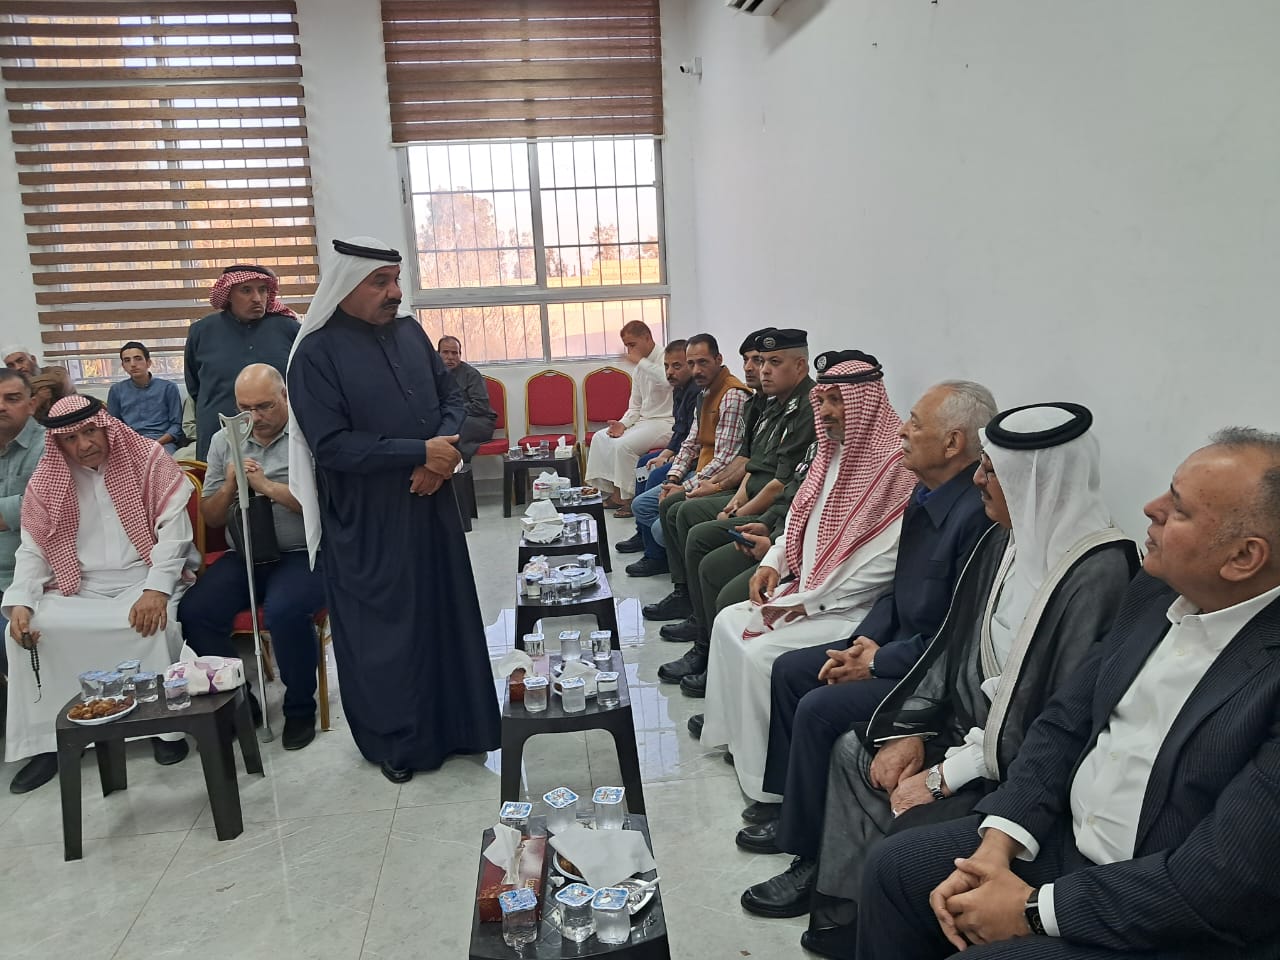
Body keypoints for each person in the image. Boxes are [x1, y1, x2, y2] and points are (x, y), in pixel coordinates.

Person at [855, 426, 1280, 960]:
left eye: (1178, 509)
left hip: (1168, 905)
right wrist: (998, 844)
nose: (1150, 508)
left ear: (1243, 557)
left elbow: (1224, 877)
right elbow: (1063, 722)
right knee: (896, 868)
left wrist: (1034, 909)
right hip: (1067, 843)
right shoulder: (1155, 590)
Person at [800, 403, 1138, 958]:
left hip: (1016, 764)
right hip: (969, 729)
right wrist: (912, 728)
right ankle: (853, 916)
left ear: (1035, 481)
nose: (978, 479)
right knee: (853, 752)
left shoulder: (1097, 572)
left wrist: (943, 777)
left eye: (991, 470)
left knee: (910, 839)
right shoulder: (1003, 538)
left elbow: (1051, 715)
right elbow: (953, 646)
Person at [733, 381, 997, 871]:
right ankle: (790, 807)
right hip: (894, 645)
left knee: (818, 707)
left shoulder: (976, 518)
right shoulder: (925, 494)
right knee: (791, 670)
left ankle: (810, 860)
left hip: (927, 673)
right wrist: (866, 640)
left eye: (915, 423)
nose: (902, 431)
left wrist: (877, 662)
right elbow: (897, 589)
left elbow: (957, 636)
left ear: (952, 443)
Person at [286, 236, 500, 783]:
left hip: (431, 503)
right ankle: (397, 742)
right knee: (388, 633)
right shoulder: (314, 355)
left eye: (396, 280)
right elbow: (331, 445)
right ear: (345, 285)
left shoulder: (410, 332)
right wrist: (417, 453)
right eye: (380, 282)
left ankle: (462, 727)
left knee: (444, 614)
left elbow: (452, 398)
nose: (395, 293)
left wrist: (439, 456)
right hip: (368, 519)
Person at [697, 350, 914, 805]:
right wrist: (773, 563)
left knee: (762, 656)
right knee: (726, 623)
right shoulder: (829, 452)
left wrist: (806, 601)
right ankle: (738, 739)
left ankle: (766, 787)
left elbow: (883, 563)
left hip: (850, 608)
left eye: (838, 400)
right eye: (824, 400)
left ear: (865, 402)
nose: (828, 411)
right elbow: (799, 518)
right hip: (806, 587)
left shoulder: (895, 465)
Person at [2, 395, 198, 794]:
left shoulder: (148, 461)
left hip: (143, 577)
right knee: (26, 630)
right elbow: (34, 549)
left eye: (90, 431)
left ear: (106, 426)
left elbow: (174, 535)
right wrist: (21, 600)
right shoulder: (48, 479)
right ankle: (49, 741)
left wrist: (156, 589)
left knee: (150, 624)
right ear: (59, 442)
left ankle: (162, 729)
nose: (84, 444)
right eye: (71, 438)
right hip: (78, 585)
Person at [652, 329, 819, 690]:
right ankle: (698, 627)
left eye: (772, 362)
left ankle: (709, 648)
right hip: (764, 509)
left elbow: (780, 484)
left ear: (800, 366)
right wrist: (733, 501)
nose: (761, 370)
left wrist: (740, 510)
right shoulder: (771, 404)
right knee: (681, 514)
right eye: (759, 361)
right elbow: (752, 464)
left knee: (695, 530)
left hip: (777, 518)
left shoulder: (806, 410)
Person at [178, 364, 326, 750]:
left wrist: (266, 486)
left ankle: (299, 707)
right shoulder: (223, 440)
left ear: (285, 397)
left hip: (300, 553)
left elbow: (324, 507)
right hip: (243, 553)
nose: (255, 417)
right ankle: (241, 702)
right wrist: (231, 485)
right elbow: (211, 516)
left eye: (264, 406)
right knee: (195, 611)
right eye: (245, 408)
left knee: (285, 611)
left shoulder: (309, 435)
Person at [627, 334, 751, 577]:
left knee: (661, 526)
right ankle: (671, 555)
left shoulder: (732, 395)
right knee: (640, 505)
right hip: (700, 470)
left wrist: (684, 488)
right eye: (692, 363)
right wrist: (673, 480)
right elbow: (690, 441)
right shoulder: (704, 392)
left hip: (716, 479)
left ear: (718, 359)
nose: (696, 370)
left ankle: (678, 570)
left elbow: (725, 459)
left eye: (703, 362)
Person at [185, 264, 300, 459]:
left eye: (262, 290)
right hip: (219, 440)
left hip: (280, 443)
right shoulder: (201, 331)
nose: (257, 298)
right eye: (246, 290)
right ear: (228, 294)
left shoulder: (289, 329)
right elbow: (194, 386)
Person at [585, 321, 674, 516]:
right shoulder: (639, 368)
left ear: (647, 338)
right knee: (601, 438)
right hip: (645, 421)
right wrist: (623, 424)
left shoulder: (666, 357)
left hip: (666, 422)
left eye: (632, 345)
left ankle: (630, 498)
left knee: (623, 446)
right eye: (626, 346)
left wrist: (641, 362)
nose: (629, 351)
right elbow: (635, 407)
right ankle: (615, 493)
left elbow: (667, 380)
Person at [614, 339, 695, 555]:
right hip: (681, 450)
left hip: (692, 458)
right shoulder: (680, 389)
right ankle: (642, 533)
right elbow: (681, 429)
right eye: (666, 366)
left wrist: (672, 457)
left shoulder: (696, 392)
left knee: (656, 474)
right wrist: (667, 453)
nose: (669, 372)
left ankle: (654, 554)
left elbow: (693, 439)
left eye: (676, 366)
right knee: (643, 463)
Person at [0, 370, 44, 687]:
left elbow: (39, 509)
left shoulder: (50, 446)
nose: (1, 406)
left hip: (27, 577)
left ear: (31, 404)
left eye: (11, 398)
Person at [107, 341, 184, 454]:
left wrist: (155, 444)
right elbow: (114, 426)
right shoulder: (116, 390)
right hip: (131, 444)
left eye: (138, 358)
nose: (133, 364)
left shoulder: (168, 388)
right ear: (123, 366)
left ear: (148, 362)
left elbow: (176, 425)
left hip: (162, 442)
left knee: (162, 461)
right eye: (127, 360)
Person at [436, 335, 496, 461]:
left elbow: (480, 406)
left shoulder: (471, 374)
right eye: (445, 352)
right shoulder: (433, 375)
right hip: (448, 419)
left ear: (460, 355)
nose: (450, 357)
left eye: (455, 353)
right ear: (437, 354)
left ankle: (460, 468)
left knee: (456, 430)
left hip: (478, 420)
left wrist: (453, 413)